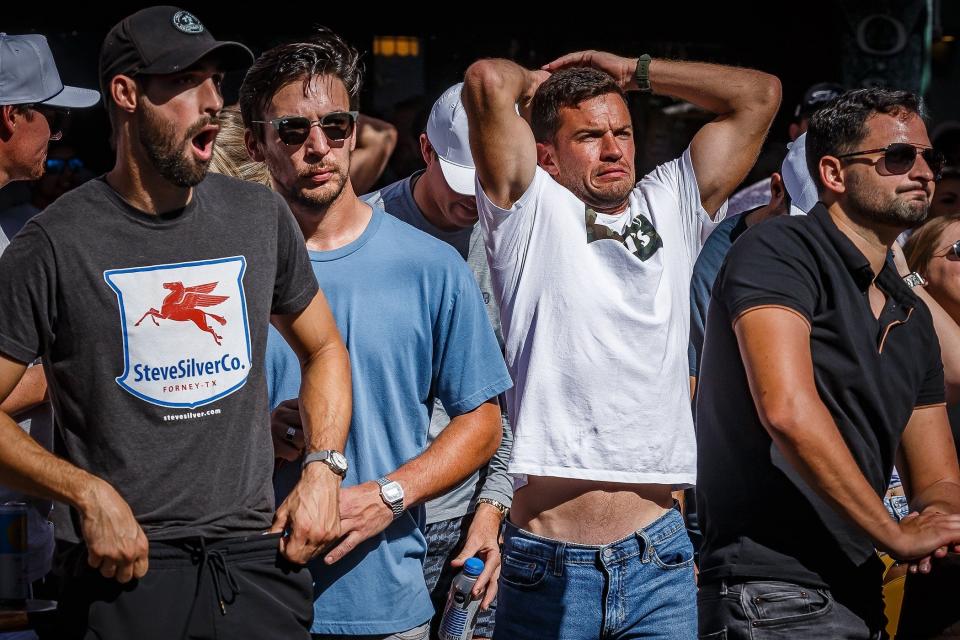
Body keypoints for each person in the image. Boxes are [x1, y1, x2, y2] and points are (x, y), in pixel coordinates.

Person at [0, 7, 353, 638]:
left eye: (215, 80)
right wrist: (85, 492)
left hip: (252, 567)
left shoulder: (257, 214)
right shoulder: (52, 242)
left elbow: (323, 347)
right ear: (127, 94)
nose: (213, 101)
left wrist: (324, 468)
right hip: (124, 571)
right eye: (187, 81)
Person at [463, 49, 780, 638]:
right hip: (547, 562)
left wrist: (635, 72)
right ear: (546, 154)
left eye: (622, 133)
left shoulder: (672, 202)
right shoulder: (529, 209)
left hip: (658, 560)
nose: (613, 150)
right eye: (588, 136)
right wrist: (543, 84)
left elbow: (759, 95)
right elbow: (486, 80)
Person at [239, 32, 511, 639]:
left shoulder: (429, 266)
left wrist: (386, 495)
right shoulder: (227, 270)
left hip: (385, 602)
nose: (318, 148)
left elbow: (483, 421)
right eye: (292, 132)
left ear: (355, 132)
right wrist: (253, 436)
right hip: (246, 594)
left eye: (335, 127)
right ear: (256, 143)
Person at [696, 87, 960, 638]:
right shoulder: (779, 249)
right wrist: (896, 533)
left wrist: (939, 519)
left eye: (928, 158)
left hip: (858, 589)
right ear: (834, 174)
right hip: (769, 588)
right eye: (896, 157)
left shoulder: (909, 309)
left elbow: (935, 475)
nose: (922, 172)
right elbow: (787, 409)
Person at [363, 82, 511, 639]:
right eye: (459, 182)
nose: (472, 200)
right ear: (425, 150)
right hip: (379, 514)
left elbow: (512, 394)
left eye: (486, 180)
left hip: (474, 519)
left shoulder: (514, 237)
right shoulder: (366, 227)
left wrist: (492, 511)